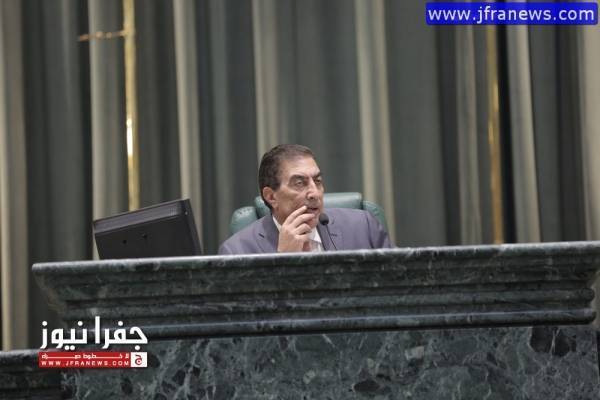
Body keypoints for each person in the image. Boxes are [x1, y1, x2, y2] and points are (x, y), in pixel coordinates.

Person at [218, 144, 392, 255]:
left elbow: (400, 288)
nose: (314, 193)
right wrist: (283, 263)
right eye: (299, 183)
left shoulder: (363, 227)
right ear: (271, 196)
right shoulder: (237, 251)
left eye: (318, 181)